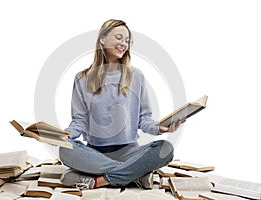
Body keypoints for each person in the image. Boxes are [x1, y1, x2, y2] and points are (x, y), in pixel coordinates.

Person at [59, 19, 183, 190]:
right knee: (65, 149)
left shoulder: (136, 76)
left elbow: (144, 118)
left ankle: (99, 180)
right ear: (102, 39)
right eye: (118, 38)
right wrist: (64, 135)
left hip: (130, 151)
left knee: (165, 148)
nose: (123, 44)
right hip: (95, 152)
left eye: (127, 41)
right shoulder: (82, 78)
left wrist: (159, 128)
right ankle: (134, 173)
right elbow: (79, 120)